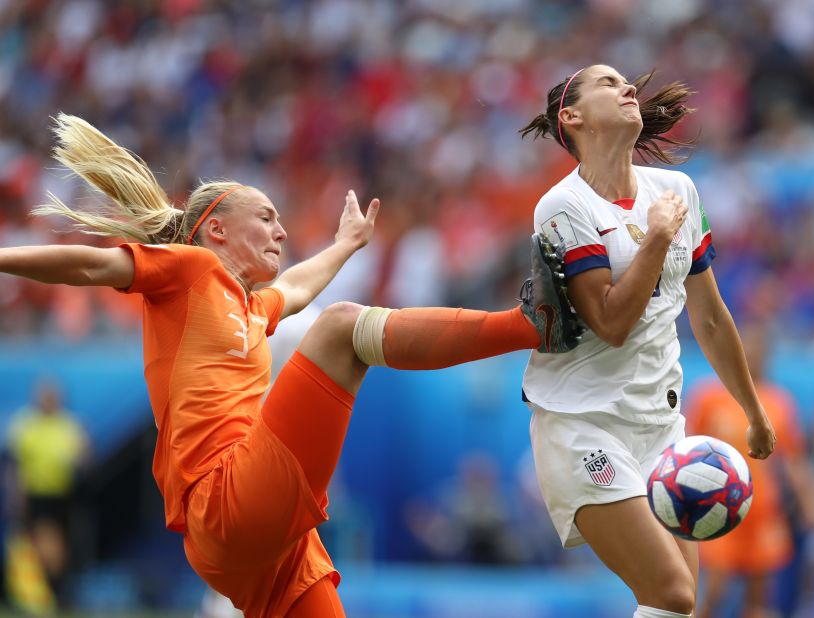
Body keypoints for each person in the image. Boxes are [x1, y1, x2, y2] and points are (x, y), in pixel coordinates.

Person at [0, 113, 584, 617]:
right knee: (340, 329)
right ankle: (530, 326)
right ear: (217, 229)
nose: (281, 229)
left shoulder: (254, 306)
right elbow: (89, 266)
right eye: (267, 216)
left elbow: (299, 285)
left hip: (257, 545)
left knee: (328, 323)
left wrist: (347, 243)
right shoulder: (191, 271)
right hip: (224, 497)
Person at [518, 65, 777, 618]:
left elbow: (709, 317)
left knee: (679, 609)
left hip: (661, 431)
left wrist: (752, 410)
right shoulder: (562, 206)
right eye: (608, 84)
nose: (628, 88)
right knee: (671, 593)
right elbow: (610, 324)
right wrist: (658, 235)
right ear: (573, 116)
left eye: (626, 81)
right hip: (584, 427)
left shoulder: (677, 190)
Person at [686, 324, 814, 617]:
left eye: (757, 353)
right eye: (745, 352)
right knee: (716, 592)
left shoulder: (778, 402)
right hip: (720, 509)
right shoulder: (709, 397)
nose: (751, 358)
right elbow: (687, 449)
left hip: (763, 510)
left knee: (758, 601)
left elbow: (793, 458)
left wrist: (811, 501)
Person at [7, 379, 89, 605]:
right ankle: (42, 591)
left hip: (62, 494)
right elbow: (14, 464)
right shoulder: (25, 424)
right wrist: (16, 492)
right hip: (36, 494)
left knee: (58, 544)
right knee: (42, 542)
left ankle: (53, 589)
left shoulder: (69, 425)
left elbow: (85, 457)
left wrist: (79, 458)